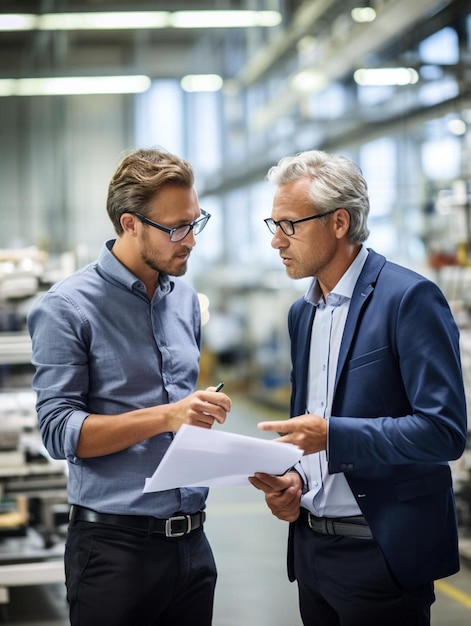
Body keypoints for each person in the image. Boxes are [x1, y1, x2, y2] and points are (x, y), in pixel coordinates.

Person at [249, 150, 467, 626]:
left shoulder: (408, 299)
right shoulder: (302, 314)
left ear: (339, 222)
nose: (275, 242)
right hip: (311, 553)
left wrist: (334, 435)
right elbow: (311, 434)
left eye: (289, 225)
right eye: (273, 224)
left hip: (381, 554)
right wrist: (295, 481)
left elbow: (444, 431)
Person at [27, 147, 232, 626]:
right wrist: (167, 416)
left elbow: (182, 417)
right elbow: (59, 432)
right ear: (130, 223)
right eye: (176, 227)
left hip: (192, 547)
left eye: (196, 222)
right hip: (114, 554)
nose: (190, 241)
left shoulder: (182, 299)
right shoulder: (67, 308)